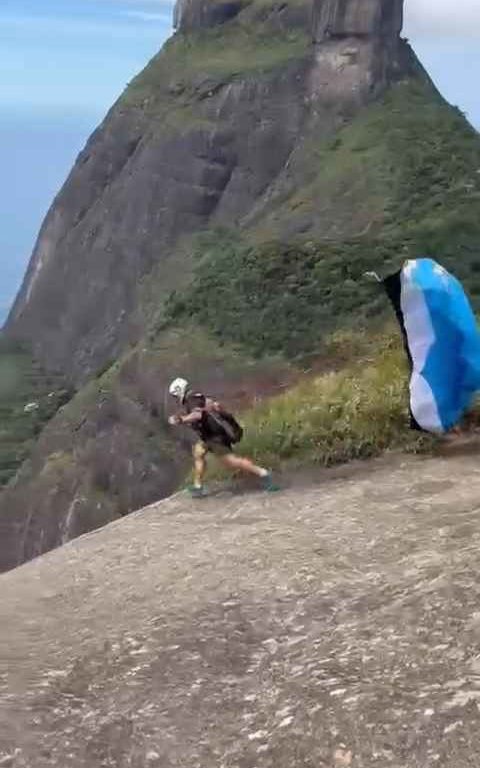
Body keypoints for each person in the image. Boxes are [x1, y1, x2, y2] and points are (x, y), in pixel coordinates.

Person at [167, 377, 277, 497]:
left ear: (179, 390)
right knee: (198, 453)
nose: (175, 398)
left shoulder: (191, 398)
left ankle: (264, 474)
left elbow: (197, 415)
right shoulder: (195, 397)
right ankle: (198, 486)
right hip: (208, 436)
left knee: (232, 461)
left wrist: (181, 419)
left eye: (174, 395)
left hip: (215, 437)